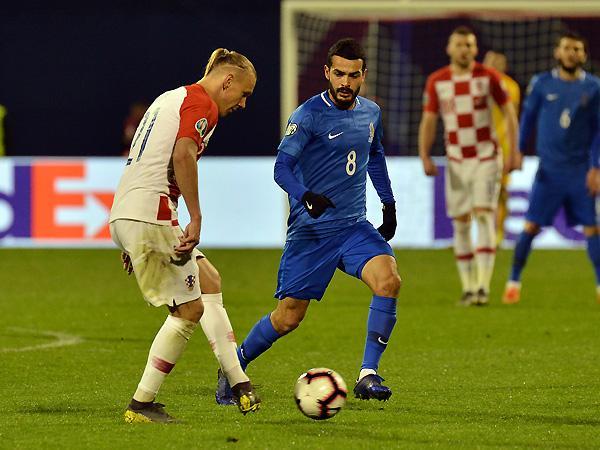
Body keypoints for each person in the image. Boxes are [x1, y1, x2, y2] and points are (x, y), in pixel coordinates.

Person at [217, 38, 401, 403]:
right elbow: (281, 168)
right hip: (312, 232)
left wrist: (389, 203)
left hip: (353, 227)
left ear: (363, 75)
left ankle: (368, 374)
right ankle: (234, 365)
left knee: (389, 280)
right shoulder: (307, 116)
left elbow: (375, 155)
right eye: (339, 74)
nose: (345, 82)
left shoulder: (371, 113)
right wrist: (305, 196)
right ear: (327, 72)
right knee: (288, 318)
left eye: (353, 75)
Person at [109, 48, 260, 423]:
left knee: (209, 281)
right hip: (152, 212)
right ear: (227, 81)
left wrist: (131, 235)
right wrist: (196, 216)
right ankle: (141, 404)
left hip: (128, 211)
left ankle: (240, 384)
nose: (243, 103)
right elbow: (183, 155)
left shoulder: (169, 97)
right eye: (244, 94)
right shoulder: (202, 103)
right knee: (189, 310)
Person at [419, 26, 519, 306]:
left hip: (486, 157)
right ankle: (468, 288)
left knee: (485, 215)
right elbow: (429, 120)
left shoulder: (488, 77)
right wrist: (424, 154)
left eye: (469, 45)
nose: (464, 49)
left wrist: (514, 151)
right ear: (449, 48)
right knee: (461, 223)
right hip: (456, 161)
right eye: (460, 44)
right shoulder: (437, 81)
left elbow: (509, 113)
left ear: (475, 49)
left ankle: (483, 286)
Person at [502, 31, 600, 305]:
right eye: (567, 48)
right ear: (557, 52)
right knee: (531, 225)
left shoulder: (594, 87)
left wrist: (596, 167)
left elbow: (598, 130)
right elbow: (528, 118)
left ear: (584, 55)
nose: (572, 53)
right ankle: (513, 282)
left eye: (577, 49)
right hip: (549, 171)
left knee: (592, 229)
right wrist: (519, 150)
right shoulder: (542, 83)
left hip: (580, 170)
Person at [483, 51, 521, 247]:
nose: (491, 64)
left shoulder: (510, 86)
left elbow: (513, 118)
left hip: (501, 146)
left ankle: (498, 234)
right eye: (489, 60)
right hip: (476, 145)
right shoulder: (475, 82)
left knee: (500, 192)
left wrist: (515, 150)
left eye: (496, 61)